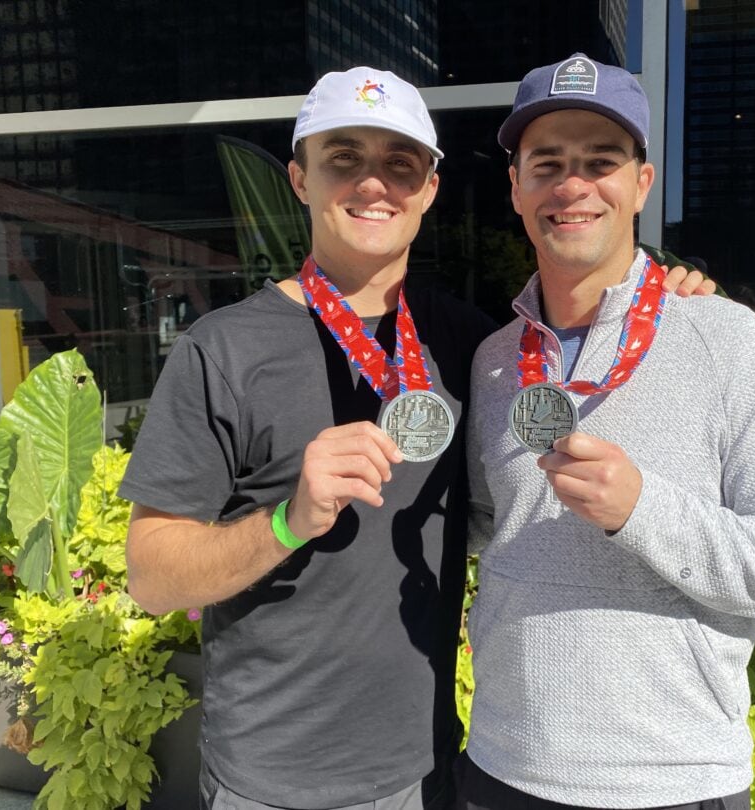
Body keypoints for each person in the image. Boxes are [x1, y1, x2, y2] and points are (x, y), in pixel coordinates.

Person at [121, 66, 712, 810]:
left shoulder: (473, 346)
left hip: (431, 768)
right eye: (344, 159)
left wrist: (677, 296)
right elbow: (152, 577)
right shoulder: (222, 351)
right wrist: (287, 519)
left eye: (400, 164)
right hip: (275, 778)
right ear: (300, 179)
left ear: (429, 190)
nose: (374, 184)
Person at [463, 54, 755, 810]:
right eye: (547, 164)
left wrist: (645, 510)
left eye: (600, 162)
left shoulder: (725, 340)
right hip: (504, 766)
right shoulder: (493, 361)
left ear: (640, 183)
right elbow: (492, 527)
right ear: (516, 188)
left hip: (671, 781)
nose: (572, 185)